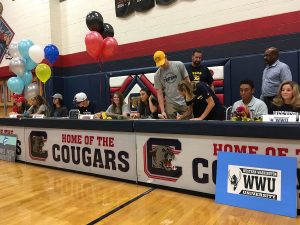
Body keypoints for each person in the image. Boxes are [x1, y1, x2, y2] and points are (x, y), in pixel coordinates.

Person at [153, 50, 191, 119]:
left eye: (163, 62)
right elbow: (159, 93)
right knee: (171, 124)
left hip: (184, 99)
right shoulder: (157, 75)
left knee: (189, 120)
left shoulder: (179, 65)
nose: (162, 65)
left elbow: (187, 82)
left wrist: (190, 99)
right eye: (160, 64)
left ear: (166, 57)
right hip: (170, 102)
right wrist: (162, 111)